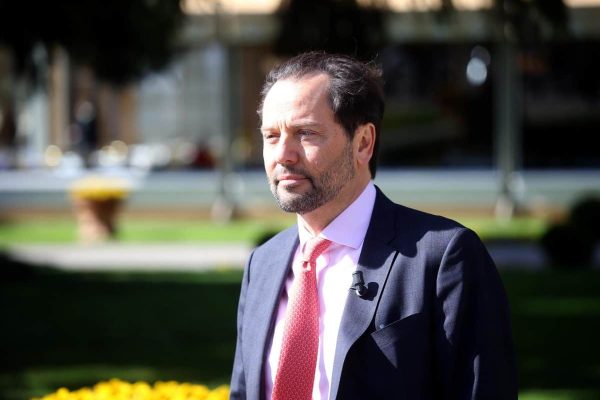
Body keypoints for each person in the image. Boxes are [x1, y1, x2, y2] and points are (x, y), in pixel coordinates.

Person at [229, 51, 517, 400]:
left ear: (363, 143)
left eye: (305, 133)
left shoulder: (442, 258)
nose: (283, 155)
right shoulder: (263, 264)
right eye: (271, 136)